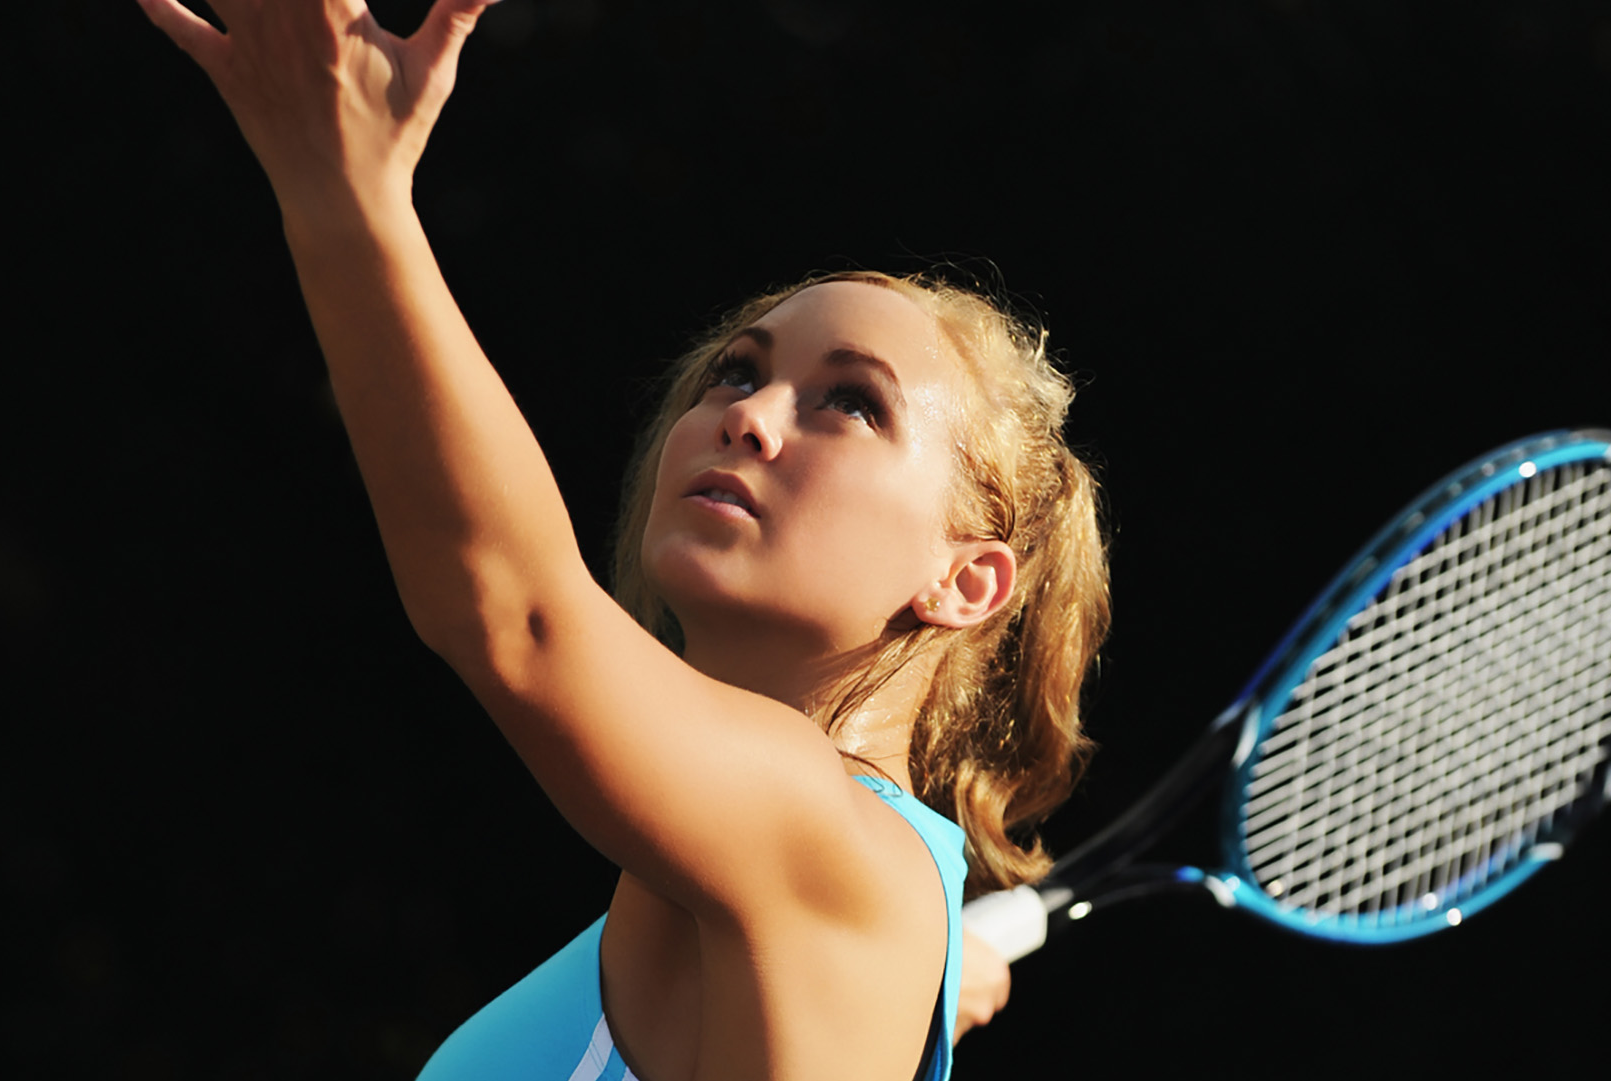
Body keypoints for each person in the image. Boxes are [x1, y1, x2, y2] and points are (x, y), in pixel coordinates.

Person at [135, 1, 1108, 1077]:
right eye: (737, 371)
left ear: (967, 581)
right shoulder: (825, 901)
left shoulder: (837, 859)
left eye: (851, 405)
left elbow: (516, 616)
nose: (747, 414)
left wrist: (345, 191)